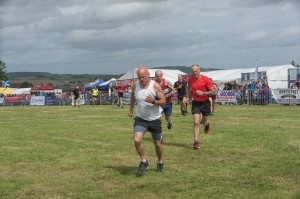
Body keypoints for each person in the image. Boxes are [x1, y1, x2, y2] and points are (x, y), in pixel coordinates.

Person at [128, 66, 166, 175]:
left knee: (157, 144)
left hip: (154, 119)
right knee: (137, 140)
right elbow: (133, 97)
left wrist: (153, 101)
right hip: (141, 119)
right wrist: (130, 109)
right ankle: (144, 161)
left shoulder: (155, 86)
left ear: (148, 74)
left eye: (143, 77)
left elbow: (163, 101)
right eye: (139, 77)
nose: (142, 79)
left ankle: (159, 161)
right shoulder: (135, 85)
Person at [186, 64, 216, 150]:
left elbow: (213, 92)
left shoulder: (205, 79)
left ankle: (207, 125)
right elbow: (188, 88)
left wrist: (203, 93)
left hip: (205, 102)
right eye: (193, 72)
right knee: (196, 122)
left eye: (196, 71)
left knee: (204, 122)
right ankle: (196, 142)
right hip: (196, 103)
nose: (195, 73)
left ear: (199, 71)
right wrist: (187, 97)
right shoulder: (190, 79)